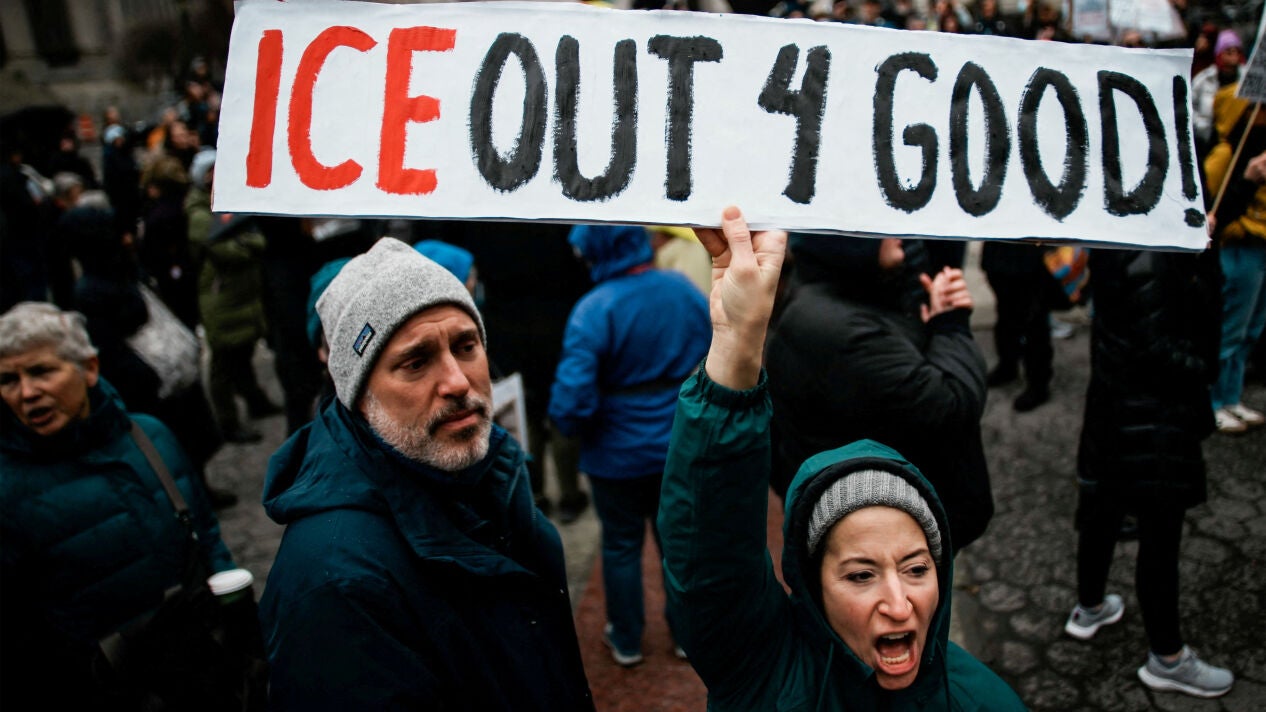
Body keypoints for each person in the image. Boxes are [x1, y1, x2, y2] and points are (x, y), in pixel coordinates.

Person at [659, 206, 1025, 709]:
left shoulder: (984, 700)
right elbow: (711, 553)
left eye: (917, 569)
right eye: (860, 575)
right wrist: (736, 341)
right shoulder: (768, 672)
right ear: (813, 585)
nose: (899, 605)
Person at [260, 238, 594, 710]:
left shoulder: (489, 470)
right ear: (358, 392)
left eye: (466, 345)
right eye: (416, 362)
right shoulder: (336, 585)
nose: (457, 381)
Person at [0, 302, 237, 709]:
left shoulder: (151, 437)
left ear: (89, 368)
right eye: (8, 380)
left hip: (204, 676)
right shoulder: (7, 489)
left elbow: (206, 536)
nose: (27, 392)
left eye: (42, 371)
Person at [1065, 245, 1234, 698]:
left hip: (1113, 405)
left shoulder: (1123, 235)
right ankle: (1168, 658)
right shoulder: (1153, 251)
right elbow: (1158, 346)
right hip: (1152, 415)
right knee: (1160, 535)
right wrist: (1202, 371)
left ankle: (1090, 607)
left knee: (1103, 508)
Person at [766, 234, 995, 552]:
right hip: (894, 537)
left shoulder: (845, 298)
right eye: (881, 223)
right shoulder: (842, 329)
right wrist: (950, 324)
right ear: (848, 239)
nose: (900, 232)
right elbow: (952, 404)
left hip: (887, 523)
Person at [548, 224, 710, 666]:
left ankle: (626, 639)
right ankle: (685, 635)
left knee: (620, 545)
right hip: (678, 443)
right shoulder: (681, 289)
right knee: (678, 545)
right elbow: (716, 349)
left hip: (615, 453)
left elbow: (571, 399)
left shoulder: (593, 309)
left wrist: (570, 426)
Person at [186, 149, 280, 444]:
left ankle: (256, 402)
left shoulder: (231, 201)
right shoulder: (199, 214)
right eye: (210, 171)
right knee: (223, 365)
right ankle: (228, 422)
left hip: (244, 297)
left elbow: (257, 237)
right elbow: (225, 250)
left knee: (243, 355)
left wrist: (243, 241)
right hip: (222, 299)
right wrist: (244, 243)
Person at [1206, 83, 1266, 433]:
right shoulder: (1224, 158)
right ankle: (1213, 401)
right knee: (1231, 329)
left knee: (1251, 330)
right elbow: (1211, 215)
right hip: (1239, 250)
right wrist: (1247, 181)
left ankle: (1231, 397)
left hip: (1260, 249)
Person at [980, 241, 1056, 411]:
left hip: (1032, 255)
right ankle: (1008, 366)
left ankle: (1038, 384)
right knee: (1006, 315)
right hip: (1000, 253)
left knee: (1034, 323)